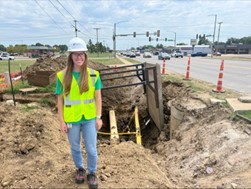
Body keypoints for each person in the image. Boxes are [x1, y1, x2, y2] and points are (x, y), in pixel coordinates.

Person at [55, 37, 102, 188]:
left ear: (85, 56)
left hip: (89, 118)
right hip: (71, 119)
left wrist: (98, 117)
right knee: (75, 147)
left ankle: (92, 173)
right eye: (75, 54)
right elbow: (60, 100)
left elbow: (98, 97)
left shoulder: (94, 75)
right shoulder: (62, 76)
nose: (79, 57)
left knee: (91, 149)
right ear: (70, 56)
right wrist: (61, 121)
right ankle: (80, 169)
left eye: (81, 54)